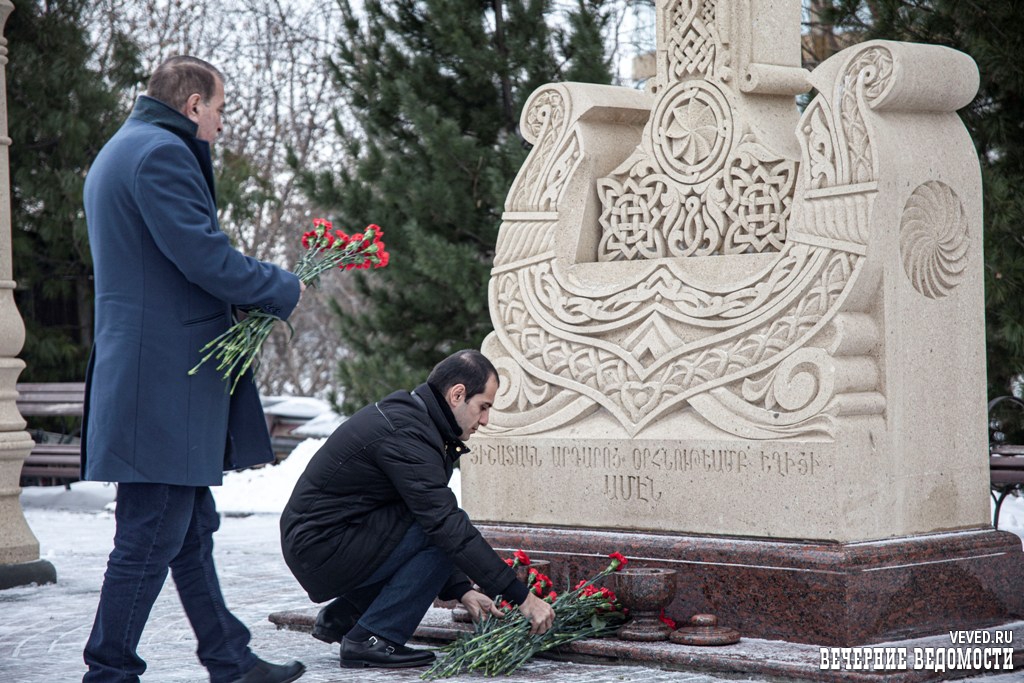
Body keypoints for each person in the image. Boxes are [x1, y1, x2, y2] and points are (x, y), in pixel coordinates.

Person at [80, 56, 305, 683]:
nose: (221, 125)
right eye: (220, 110)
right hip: (164, 382)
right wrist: (281, 286)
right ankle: (108, 670)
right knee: (150, 536)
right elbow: (203, 257)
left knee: (187, 530)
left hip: (149, 376)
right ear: (193, 104)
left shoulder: (122, 150)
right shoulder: (160, 154)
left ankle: (229, 659)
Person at [280, 349, 555, 669]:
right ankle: (372, 638)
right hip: (321, 546)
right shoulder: (409, 432)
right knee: (446, 529)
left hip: (328, 540)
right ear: (457, 394)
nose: (485, 420)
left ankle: (346, 615)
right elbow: (443, 528)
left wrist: (461, 590)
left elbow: (419, 519)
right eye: (483, 407)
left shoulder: (416, 421)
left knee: (437, 526)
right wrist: (521, 597)